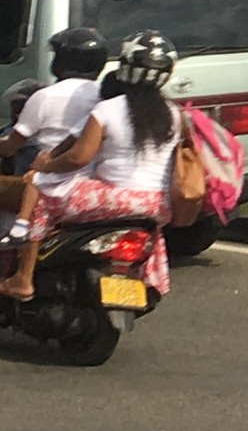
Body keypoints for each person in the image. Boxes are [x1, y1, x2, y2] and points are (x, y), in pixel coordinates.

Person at [5, 31, 180, 302]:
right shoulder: (175, 114)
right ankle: (148, 279)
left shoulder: (109, 109)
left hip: (112, 199)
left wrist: (47, 166)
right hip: (159, 205)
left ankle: (23, 279)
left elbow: (78, 158)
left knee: (40, 196)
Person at [0, 28, 109, 296]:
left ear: (61, 61)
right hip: (97, 188)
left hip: (48, 186)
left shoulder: (45, 97)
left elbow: (11, 146)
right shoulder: (108, 98)